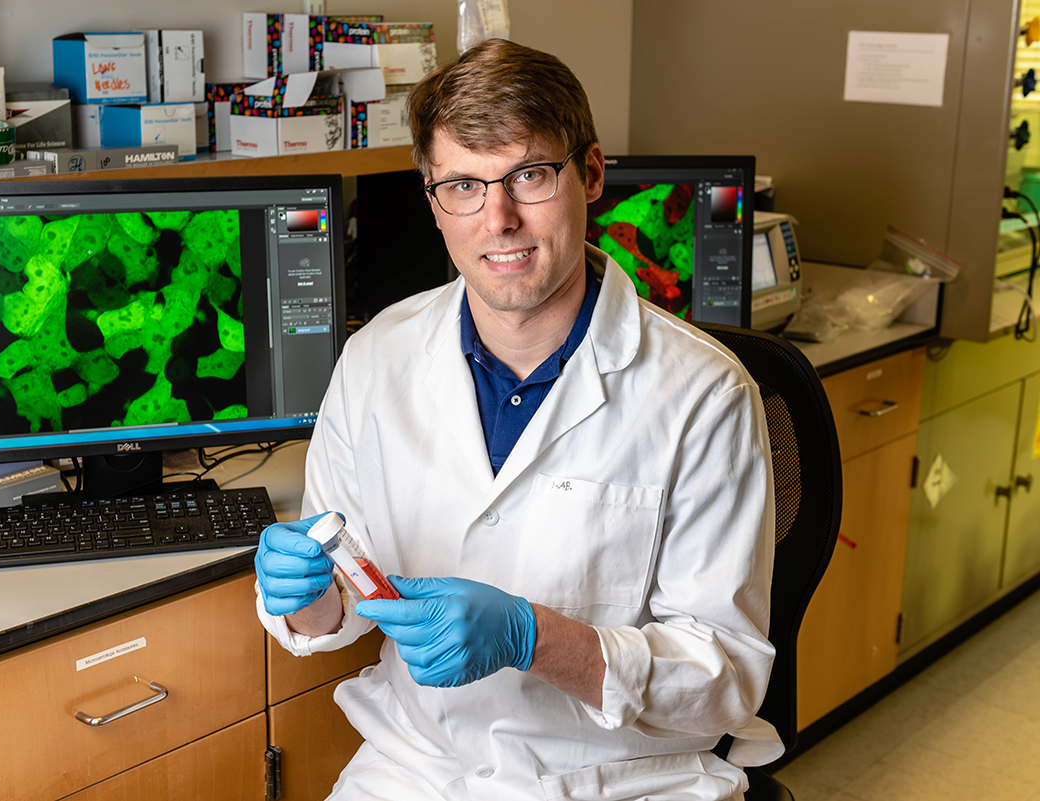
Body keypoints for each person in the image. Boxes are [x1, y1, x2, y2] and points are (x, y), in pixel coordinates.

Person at [254, 38, 781, 801]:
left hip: (623, 778)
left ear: (590, 174)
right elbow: (346, 593)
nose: (497, 219)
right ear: (433, 200)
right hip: (417, 768)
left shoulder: (703, 393)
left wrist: (536, 639)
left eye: (529, 175)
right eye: (463, 184)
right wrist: (303, 594)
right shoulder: (374, 363)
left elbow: (723, 679)